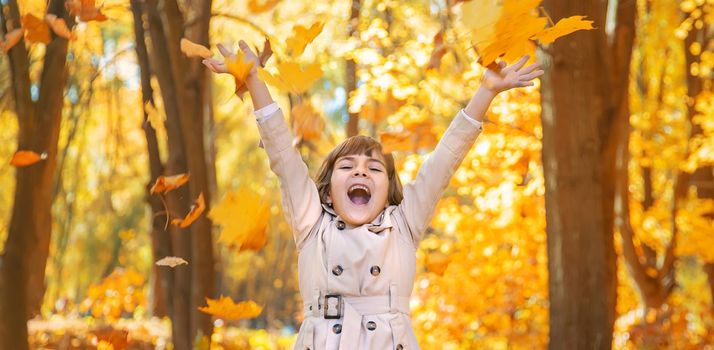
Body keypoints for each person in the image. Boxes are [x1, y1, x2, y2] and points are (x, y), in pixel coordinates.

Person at [204, 40, 543, 350]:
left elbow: (443, 162)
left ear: (388, 191)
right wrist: (253, 80)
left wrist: (485, 91)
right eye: (347, 166)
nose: (360, 172)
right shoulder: (311, 223)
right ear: (327, 187)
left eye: (374, 168)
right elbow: (282, 154)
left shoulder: (404, 224)